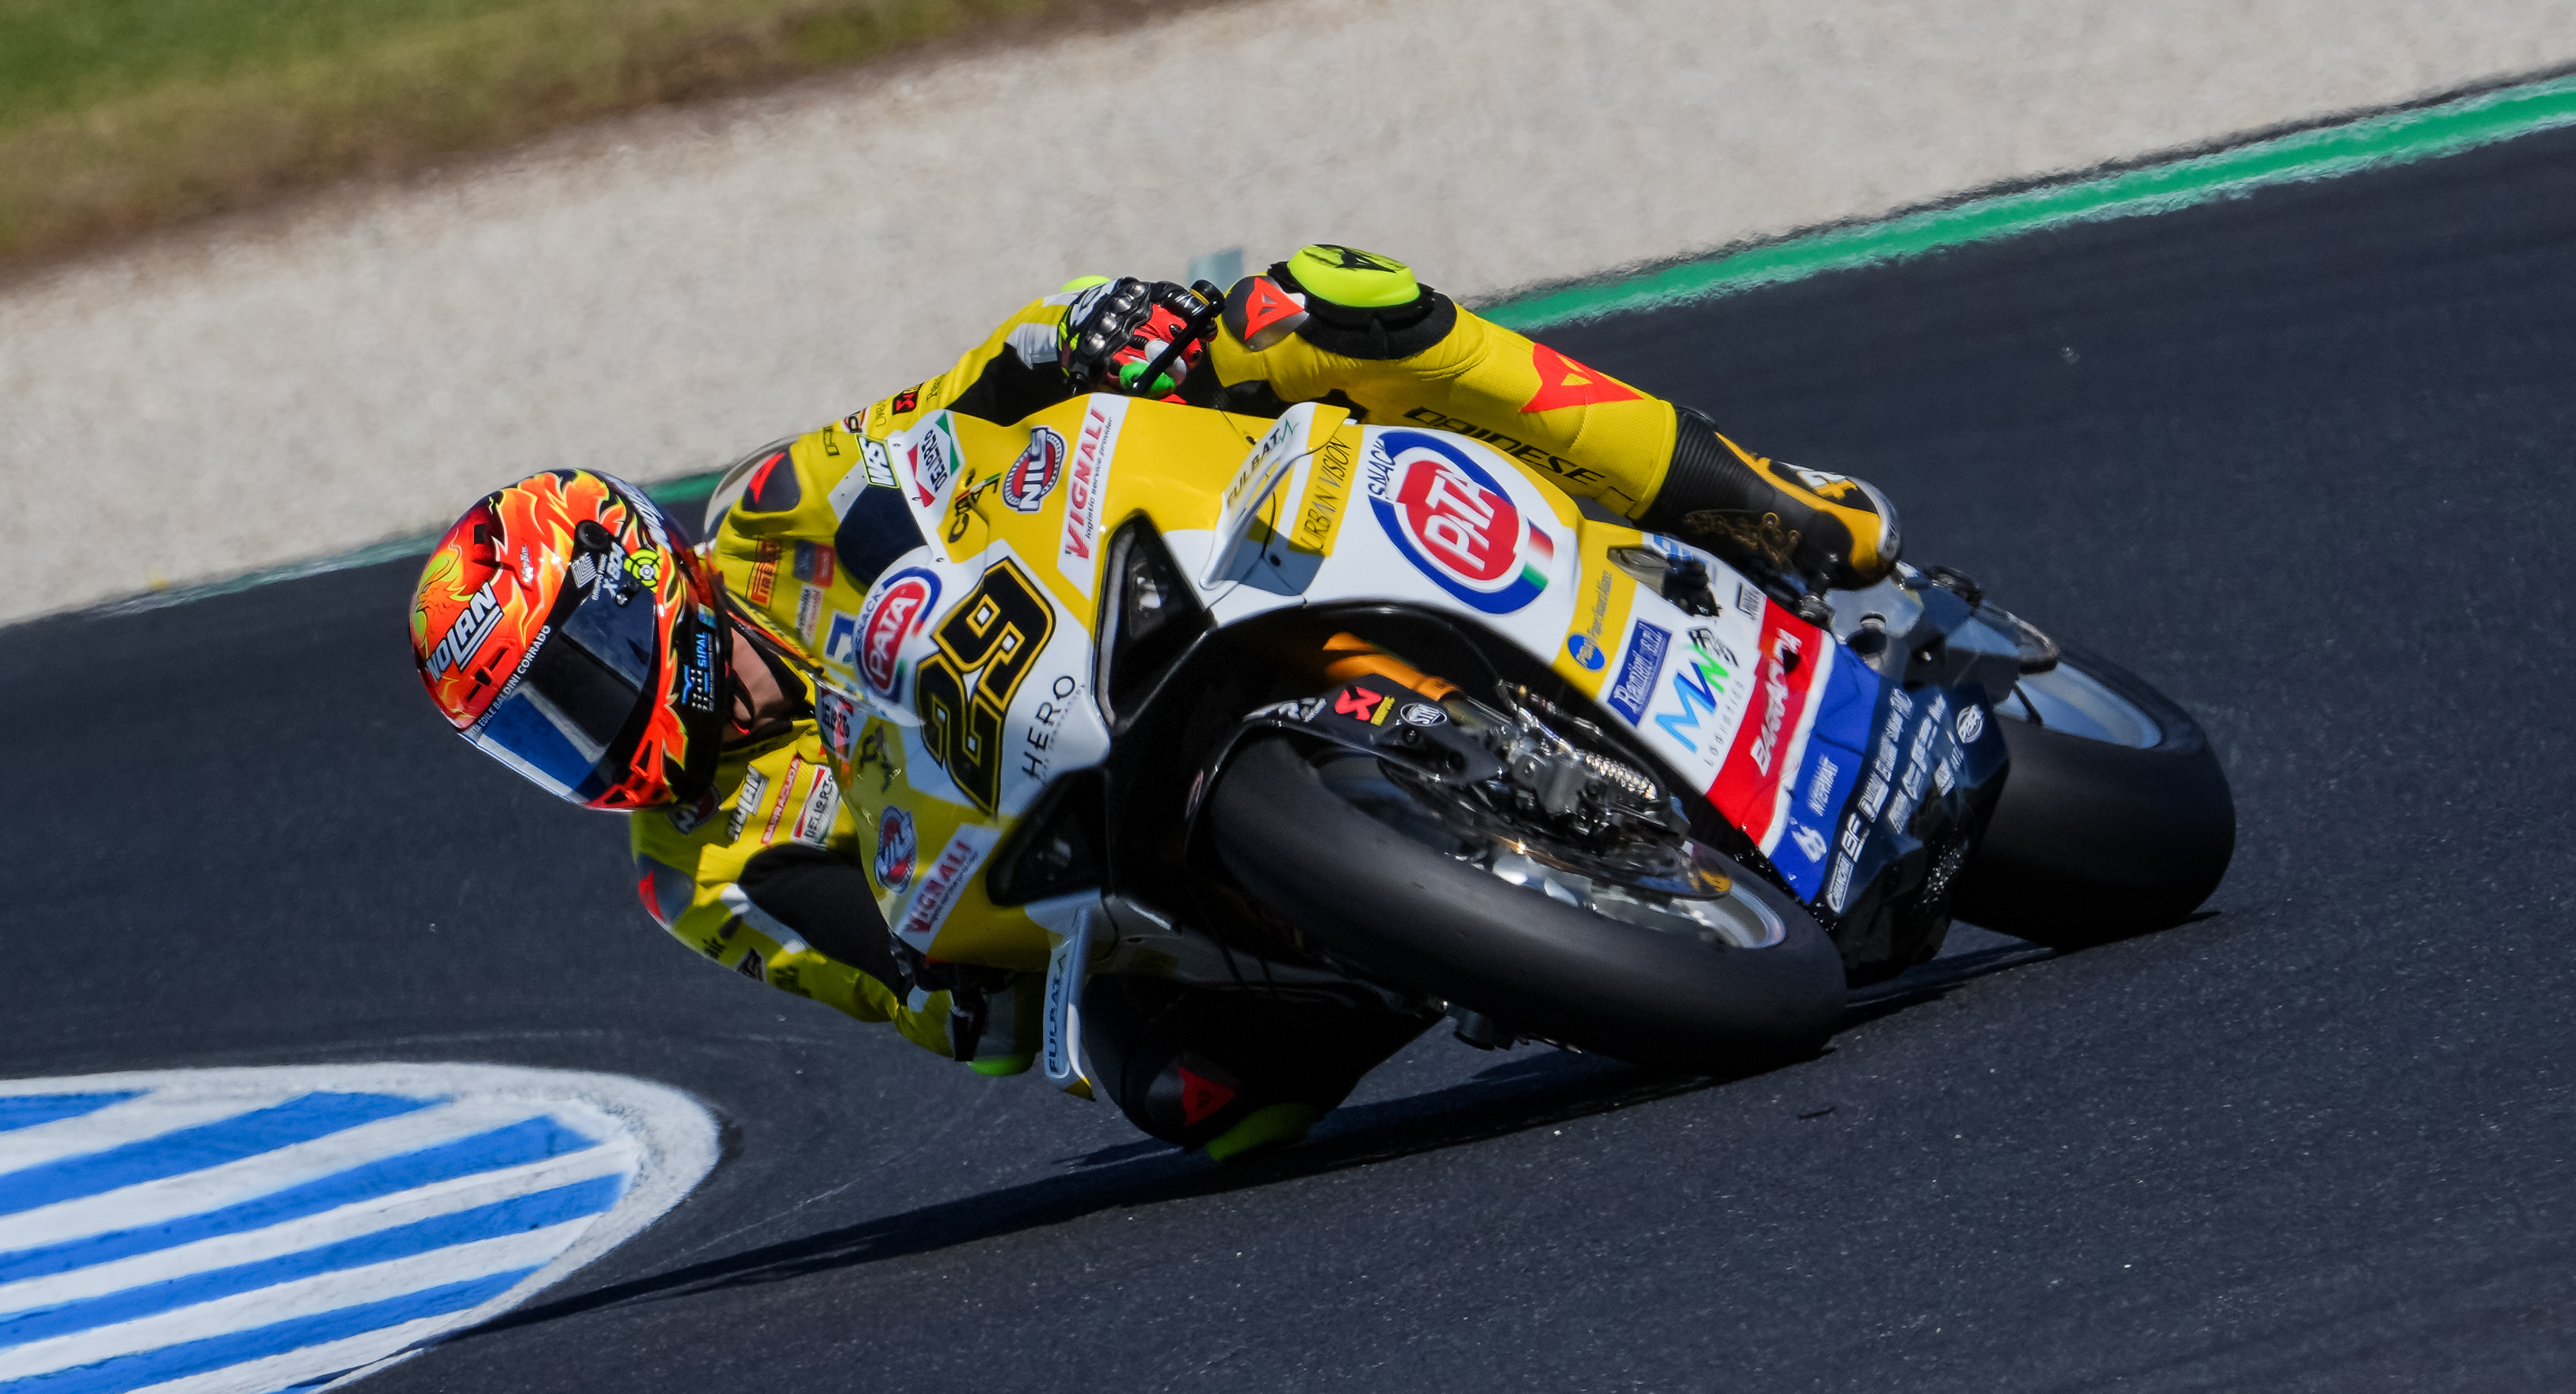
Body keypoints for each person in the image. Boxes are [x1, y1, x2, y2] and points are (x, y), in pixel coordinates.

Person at [407, 244, 1900, 1159]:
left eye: (577, 680)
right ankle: (1458, 930)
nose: (590, 735)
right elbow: (914, 988)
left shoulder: (770, 517)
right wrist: (971, 991)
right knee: (1192, 1098)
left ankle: (1753, 500)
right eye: (539, 735)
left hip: (1127, 601)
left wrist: (1088, 331)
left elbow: (957, 406)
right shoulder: (696, 873)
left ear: (641, 579)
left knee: (1316, 304)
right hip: (1085, 865)